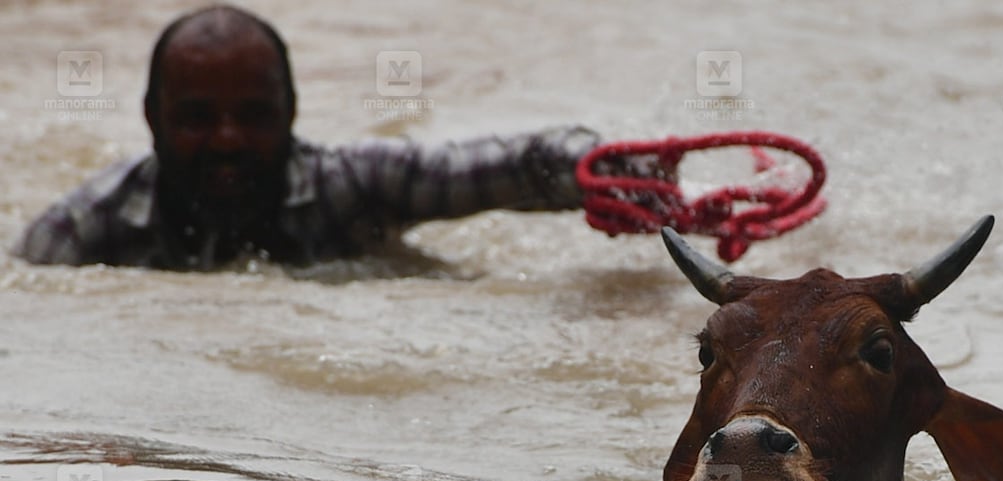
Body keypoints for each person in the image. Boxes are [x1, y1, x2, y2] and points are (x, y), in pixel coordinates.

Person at [13, 4, 613, 271]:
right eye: (198, 117)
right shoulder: (83, 229)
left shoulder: (353, 183)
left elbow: (512, 165)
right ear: (151, 118)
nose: (227, 140)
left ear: (292, 112)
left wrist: (602, 172)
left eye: (253, 115)